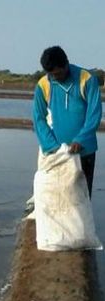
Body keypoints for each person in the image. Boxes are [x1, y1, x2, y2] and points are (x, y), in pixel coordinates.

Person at [32, 46, 102, 197]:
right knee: (59, 196)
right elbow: (38, 118)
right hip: (57, 153)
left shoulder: (86, 79)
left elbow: (94, 114)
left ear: (66, 64)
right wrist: (51, 146)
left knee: (81, 196)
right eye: (51, 75)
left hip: (84, 151)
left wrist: (80, 139)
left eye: (58, 73)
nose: (55, 77)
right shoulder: (43, 84)